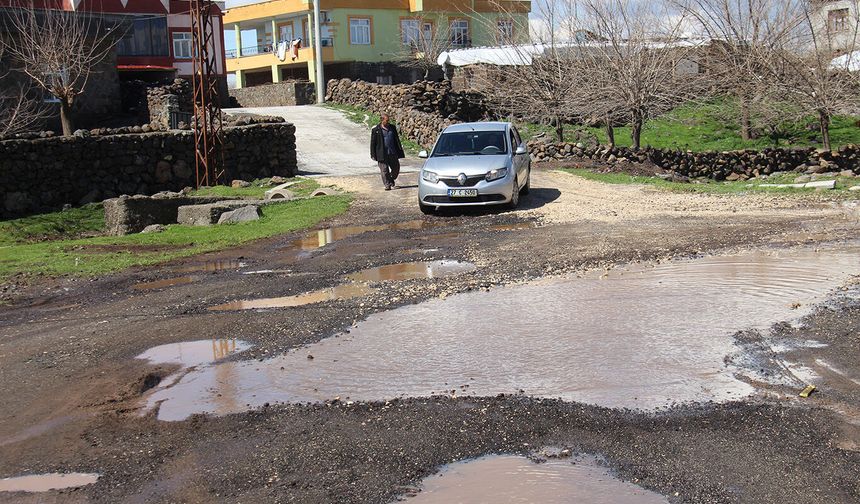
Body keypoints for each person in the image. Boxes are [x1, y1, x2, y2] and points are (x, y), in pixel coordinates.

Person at [370, 113, 405, 190]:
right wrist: (373, 154)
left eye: (388, 120)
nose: (388, 122)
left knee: (396, 168)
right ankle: (387, 185)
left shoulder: (392, 128)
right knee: (384, 170)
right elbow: (373, 143)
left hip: (392, 152)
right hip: (382, 153)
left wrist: (399, 149)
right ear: (382, 120)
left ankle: (390, 179)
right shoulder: (376, 130)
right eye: (386, 120)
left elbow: (396, 140)